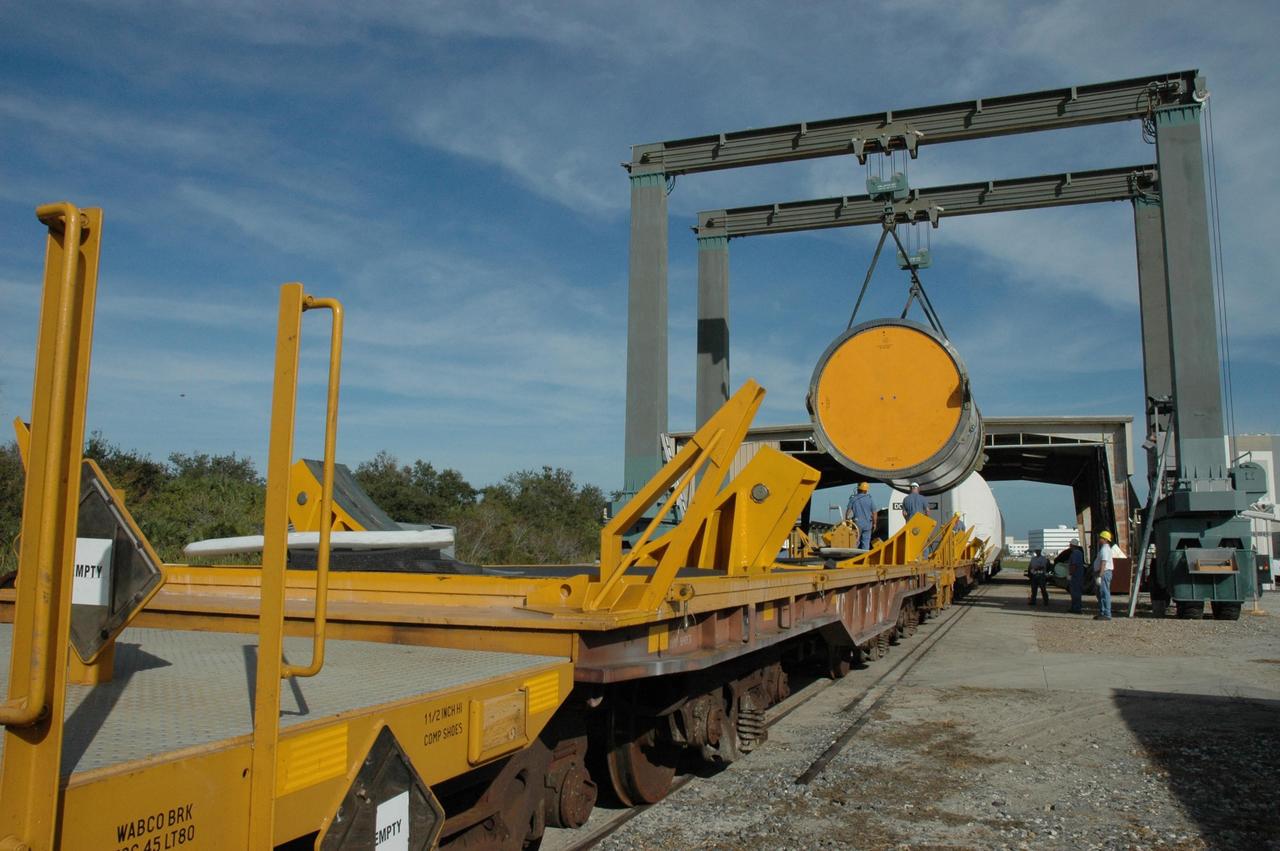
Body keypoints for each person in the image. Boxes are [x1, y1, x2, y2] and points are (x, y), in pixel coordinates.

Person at [846, 482, 875, 549]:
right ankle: (865, 556)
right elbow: (874, 513)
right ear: (866, 490)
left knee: (855, 541)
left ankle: (854, 556)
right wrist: (874, 523)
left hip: (857, 524)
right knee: (866, 542)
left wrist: (847, 521)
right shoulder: (870, 499)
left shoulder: (853, 499)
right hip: (868, 524)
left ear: (858, 489)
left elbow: (848, 511)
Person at [1093, 530, 1115, 620]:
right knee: (1101, 593)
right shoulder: (1105, 548)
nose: (1099, 539)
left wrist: (1100, 575)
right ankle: (1103, 612)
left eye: (1101, 538)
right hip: (1104, 572)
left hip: (1104, 573)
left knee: (1104, 593)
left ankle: (1107, 613)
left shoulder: (1105, 549)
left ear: (1105, 539)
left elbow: (1103, 562)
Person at [1066, 538, 1086, 614]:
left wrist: (1070, 574)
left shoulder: (1075, 554)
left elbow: (1074, 565)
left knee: (1075, 593)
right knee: (1076, 592)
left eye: (1070, 544)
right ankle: (1075, 607)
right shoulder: (1079, 553)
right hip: (1078, 576)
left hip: (1075, 576)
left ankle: (1076, 608)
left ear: (1072, 545)